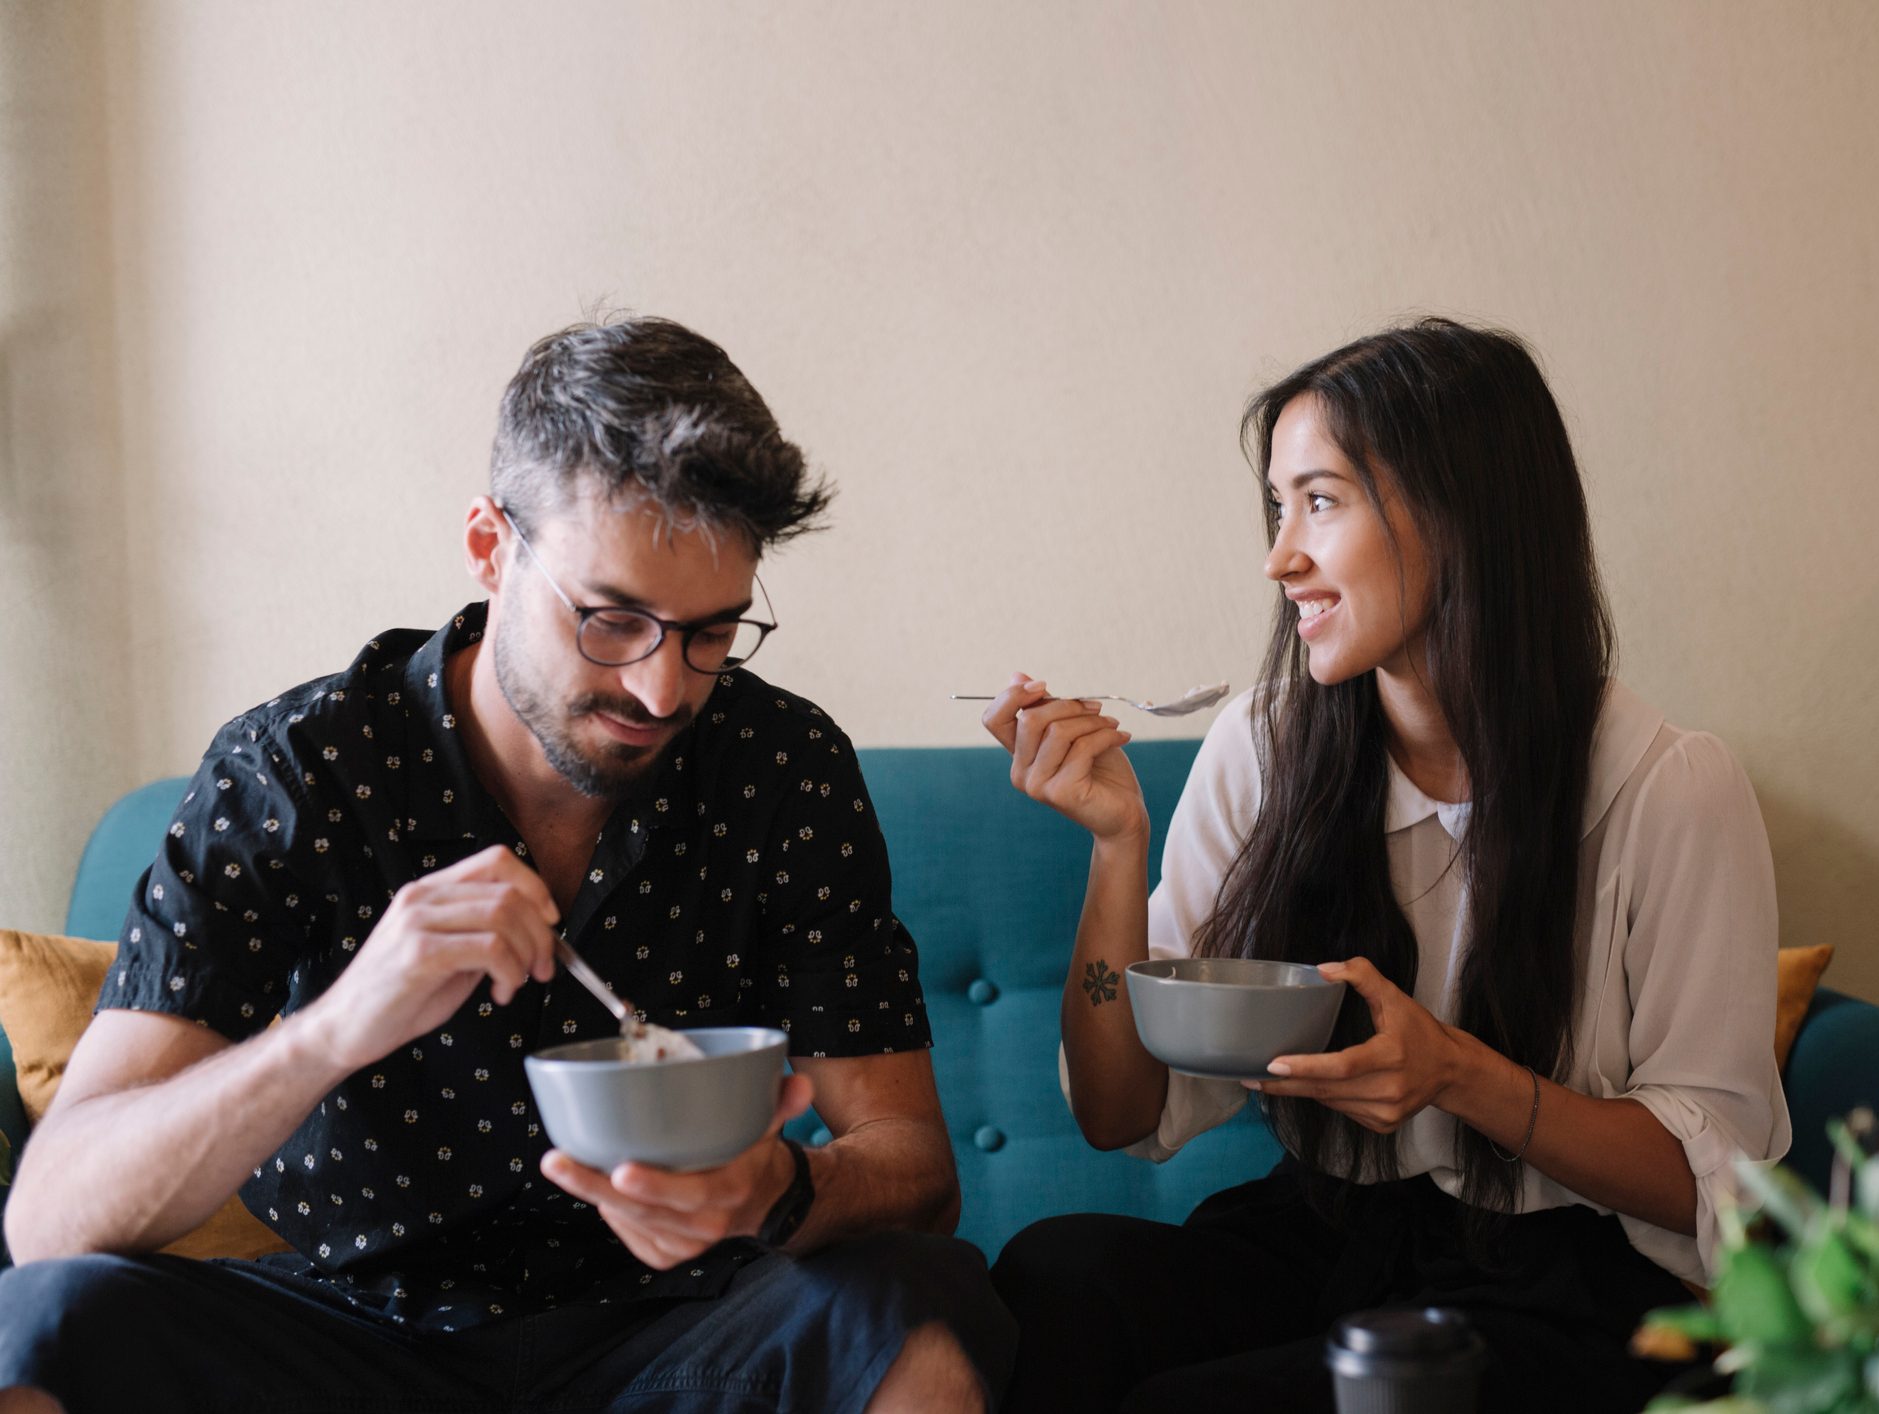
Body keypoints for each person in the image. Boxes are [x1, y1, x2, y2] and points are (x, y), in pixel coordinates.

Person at [0, 316, 1014, 1413]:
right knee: (48, 1326)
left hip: (679, 1336)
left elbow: (912, 1164)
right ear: (490, 547)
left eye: (711, 634)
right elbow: (51, 1218)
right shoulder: (296, 771)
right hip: (352, 1335)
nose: (663, 691)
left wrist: (781, 1189)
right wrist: (339, 1026)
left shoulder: (781, 767)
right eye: (613, 621)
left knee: (918, 1299)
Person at [980, 319, 1788, 1412]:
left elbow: (1712, 1186)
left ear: (1462, 516)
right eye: (1279, 506)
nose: (1279, 559)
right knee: (1053, 1278)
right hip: (1329, 1232)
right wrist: (1118, 849)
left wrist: (1457, 1073)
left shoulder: (1668, 789)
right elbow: (1120, 1112)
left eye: (1321, 500)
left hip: (1571, 1280)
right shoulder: (1265, 752)